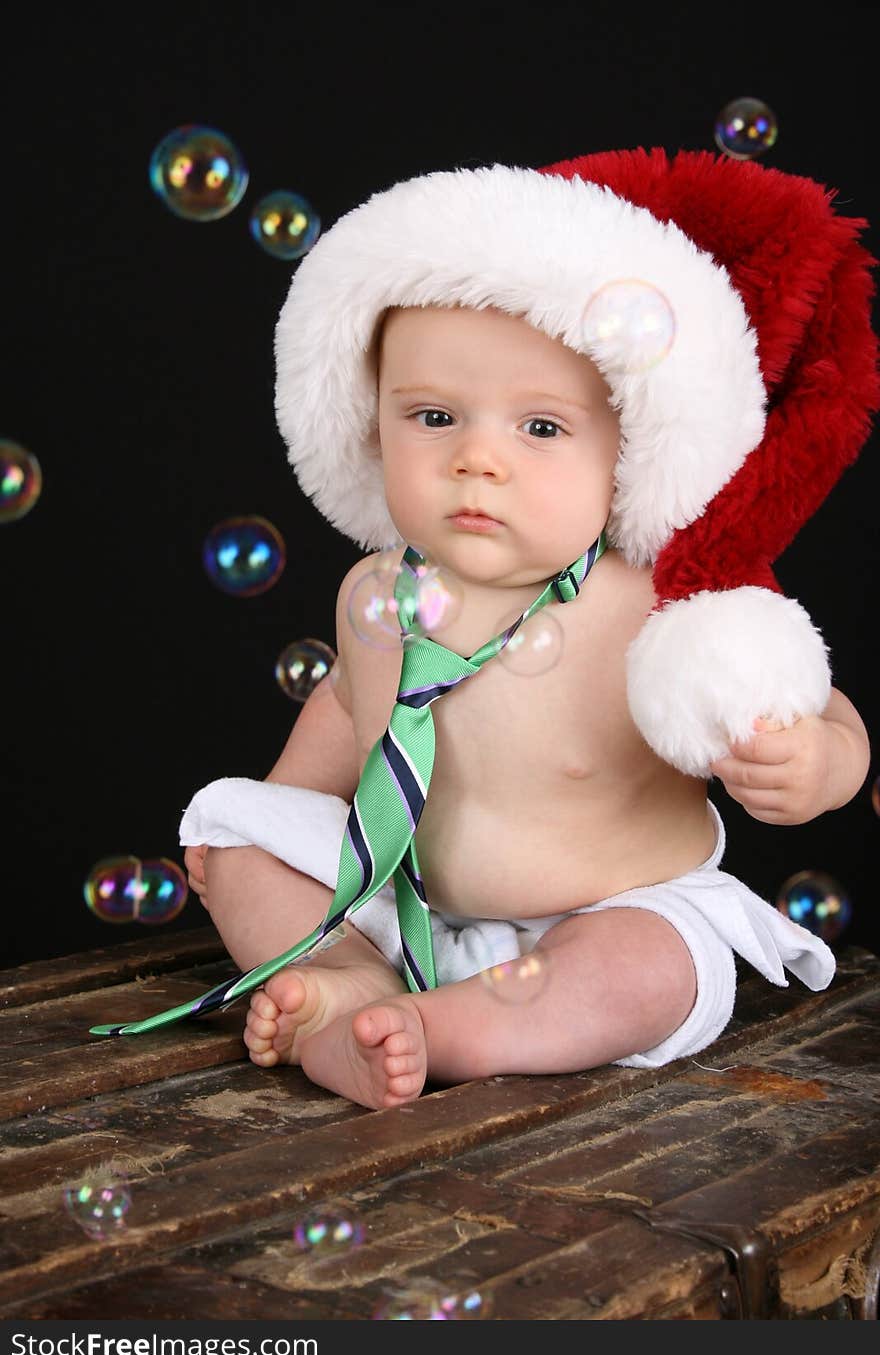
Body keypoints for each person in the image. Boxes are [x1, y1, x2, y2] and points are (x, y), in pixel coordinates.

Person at [179, 149, 876, 1111]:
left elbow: (820, 702)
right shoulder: (373, 592)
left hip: (602, 917)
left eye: (540, 429)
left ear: (630, 447)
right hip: (415, 905)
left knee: (650, 964)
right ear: (366, 422)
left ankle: (458, 1028)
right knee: (232, 841)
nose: (477, 461)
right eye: (432, 415)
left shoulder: (664, 603)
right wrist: (286, 841)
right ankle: (347, 978)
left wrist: (818, 761)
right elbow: (350, 711)